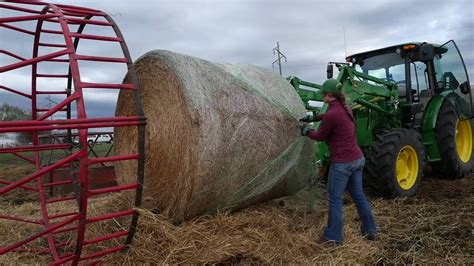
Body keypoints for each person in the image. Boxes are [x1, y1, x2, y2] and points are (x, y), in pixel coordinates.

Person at [300, 79, 377, 246]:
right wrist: (314, 116)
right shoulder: (345, 108)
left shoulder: (332, 114)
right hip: (358, 159)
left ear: (329, 95)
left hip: (342, 164)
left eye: (323, 94)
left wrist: (306, 131)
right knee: (359, 196)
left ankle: (333, 237)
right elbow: (329, 116)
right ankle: (370, 229)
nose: (321, 96)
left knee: (335, 199)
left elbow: (320, 136)